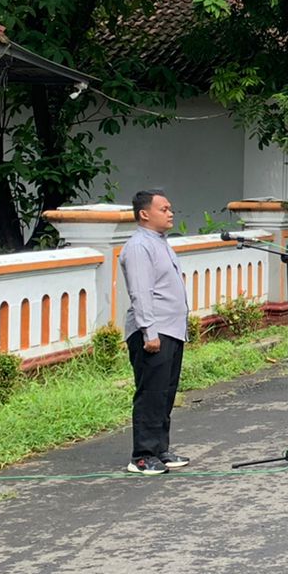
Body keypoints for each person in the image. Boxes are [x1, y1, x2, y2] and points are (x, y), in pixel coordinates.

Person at [120, 189, 191, 475]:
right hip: (153, 332)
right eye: (164, 208)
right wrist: (149, 331)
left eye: (170, 207)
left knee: (165, 392)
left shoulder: (161, 243)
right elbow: (140, 292)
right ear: (144, 214)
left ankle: (160, 449)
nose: (170, 212)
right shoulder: (139, 246)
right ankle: (142, 455)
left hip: (171, 330)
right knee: (151, 392)